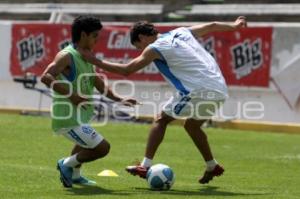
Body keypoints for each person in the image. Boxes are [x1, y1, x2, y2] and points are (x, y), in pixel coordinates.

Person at [79, 16, 247, 184]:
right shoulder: (181, 32)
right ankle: (212, 166)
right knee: (192, 125)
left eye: (139, 46)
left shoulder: (155, 48)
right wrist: (235, 25)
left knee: (161, 119)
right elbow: (212, 25)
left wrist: (93, 60)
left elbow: (127, 70)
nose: (141, 50)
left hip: (198, 90)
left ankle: (145, 166)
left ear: (142, 38)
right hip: (219, 88)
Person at [41, 15, 137, 188]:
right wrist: (73, 96)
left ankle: (76, 175)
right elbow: (46, 77)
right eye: (95, 36)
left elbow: (99, 85)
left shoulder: (87, 57)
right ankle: (66, 164)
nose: (96, 40)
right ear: (83, 35)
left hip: (80, 117)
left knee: (82, 145)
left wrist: (120, 99)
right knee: (102, 148)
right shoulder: (66, 56)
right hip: (68, 118)